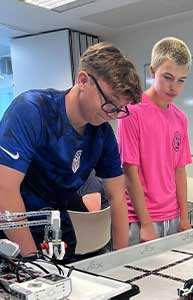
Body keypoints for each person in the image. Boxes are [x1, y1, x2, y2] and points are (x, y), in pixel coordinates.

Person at [0, 42, 142, 258]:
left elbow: (117, 197)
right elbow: (5, 190)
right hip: (10, 228)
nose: (112, 114)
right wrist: (32, 263)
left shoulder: (101, 134)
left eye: (119, 109)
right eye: (109, 103)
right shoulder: (32, 111)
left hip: (56, 225)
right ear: (83, 80)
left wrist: (121, 260)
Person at [118, 37, 192, 245]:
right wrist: (146, 224)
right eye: (167, 77)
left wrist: (185, 217)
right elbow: (129, 171)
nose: (174, 87)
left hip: (173, 216)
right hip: (141, 219)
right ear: (152, 72)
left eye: (181, 80)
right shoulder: (131, 112)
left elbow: (180, 171)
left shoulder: (180, 118)